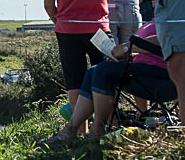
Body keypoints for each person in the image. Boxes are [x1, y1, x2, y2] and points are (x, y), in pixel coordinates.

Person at [43, 20, 173, 144]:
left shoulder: (175, 15)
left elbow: (169, 39)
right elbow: (150, 53)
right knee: (93, 71)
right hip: (141, 70)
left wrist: (127, 48)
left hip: (162, 76)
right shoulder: (159, 16)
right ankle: (70, 129)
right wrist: (128, 57)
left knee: (102, 71)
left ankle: (97, 128)